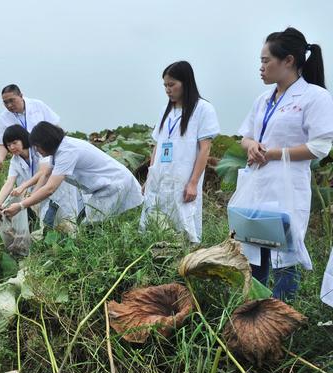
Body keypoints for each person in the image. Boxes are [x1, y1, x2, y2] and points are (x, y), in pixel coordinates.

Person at [238, 27, 333, 300]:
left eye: (266, 60)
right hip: (257, 186)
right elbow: (245, 136)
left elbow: (319, 147)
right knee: (253, 257)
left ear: (288, 60)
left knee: (284, 261)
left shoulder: (315, 97)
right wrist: (252, 146)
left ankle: (282, 320)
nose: (261, 67)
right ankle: (254, 315)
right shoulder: (263, 100)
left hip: (287, 189)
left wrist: (273, 153)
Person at [140, 61, 220, 243]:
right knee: (155, 222)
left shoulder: (203, 109)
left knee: (183, 225)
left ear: (186, 82)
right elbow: (157, 147)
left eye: (172, 84)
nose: (167, 90)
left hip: (184, 177)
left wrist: (193, 183)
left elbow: (205, 148)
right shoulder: (165, 111)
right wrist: (149, 178)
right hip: (160, 175)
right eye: (165, 86)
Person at [3, 121, 143, 223]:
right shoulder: (57, 152)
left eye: (37, 147)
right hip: (103, 188)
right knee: (93, 225)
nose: (37, 151)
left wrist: (21, 205)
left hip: (114, 184)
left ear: (46, 142)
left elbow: (50, 188)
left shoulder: (67, 152)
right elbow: (46, 174)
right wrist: (30, 197)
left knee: (92, 228)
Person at [0, 124, 80, 227]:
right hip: (39, 194)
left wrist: (23, 187)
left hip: (57, 190)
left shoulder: (38, 150)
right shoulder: (15, 160)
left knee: (66, 221)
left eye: (14, 143)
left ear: (23, 139)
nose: (12, 147)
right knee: (48, 225)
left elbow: (43, 172)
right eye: (8, 145)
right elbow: (9, 182)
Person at [0, 84, 60, 171]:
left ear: (21, 96)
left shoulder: (38, 105)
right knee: (27, 181)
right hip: (23, 157)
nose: (9, 105)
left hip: (45, 152)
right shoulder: (3, 118)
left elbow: (55, 127)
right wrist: (0, 159)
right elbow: (2, 143)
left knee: (46, 177)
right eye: (5, 102)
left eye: (12, 100)